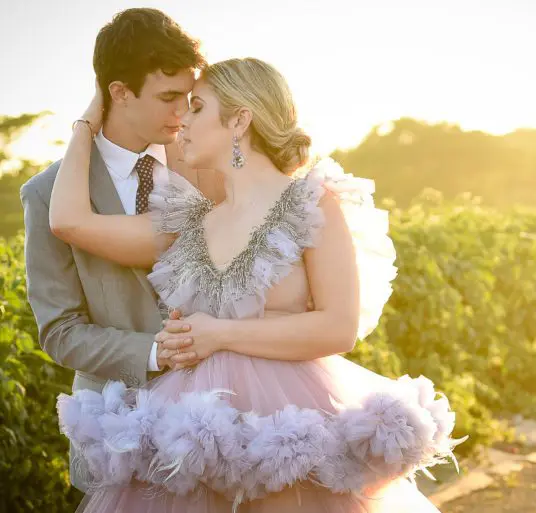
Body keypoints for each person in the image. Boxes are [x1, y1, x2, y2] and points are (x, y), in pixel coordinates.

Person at [47, 22, 463, 513]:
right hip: (193, 427)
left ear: (240, 121)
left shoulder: (313, 202)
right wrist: (84, 127)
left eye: (197, 107)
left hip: (289, 421)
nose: (182, 120)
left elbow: (338, 327)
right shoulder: (190, 221)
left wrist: (218, 334)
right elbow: (68, 221)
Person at [20, 7, 210, 498]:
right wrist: (153, 352)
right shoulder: (46, 194)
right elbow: (59, 331)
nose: (182, 113)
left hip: (221, 412)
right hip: (118, 431)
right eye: (168, 98)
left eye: (189, 98)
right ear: (119, 92)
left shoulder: (209, 166)